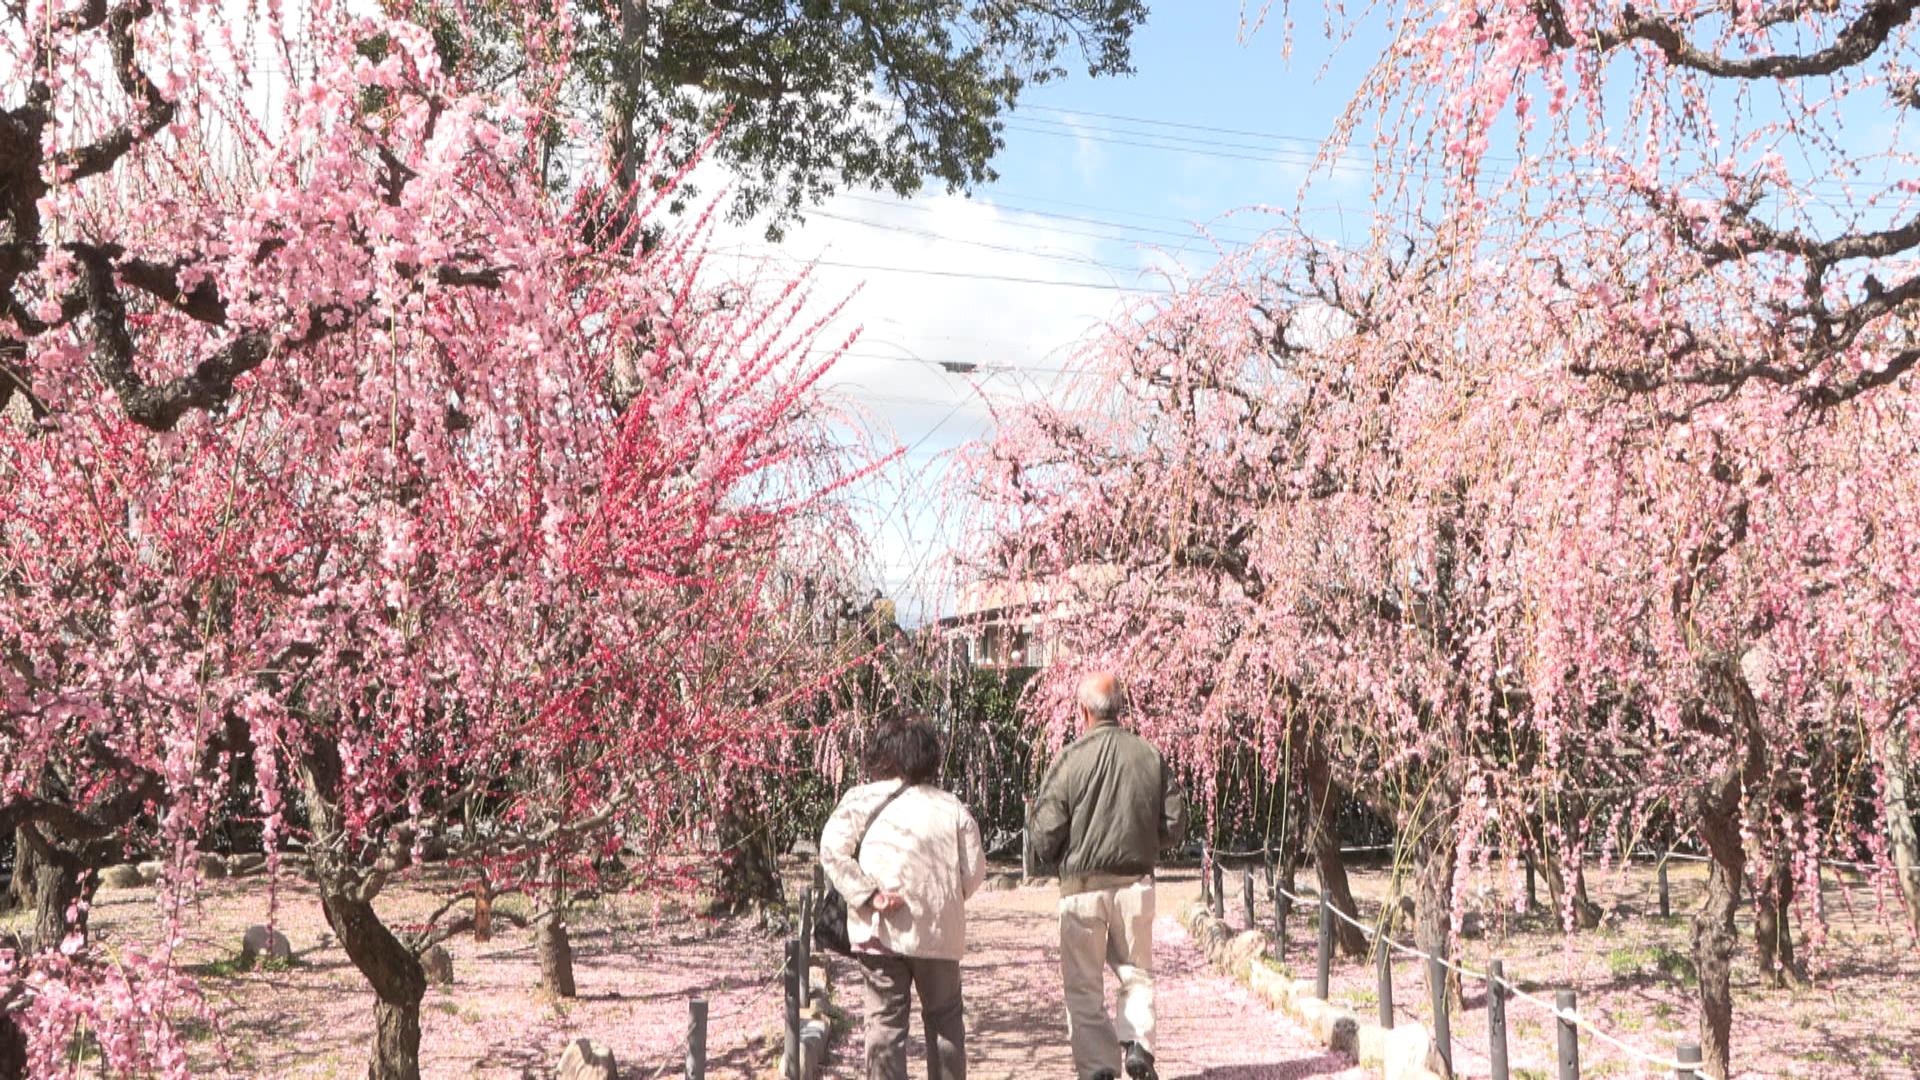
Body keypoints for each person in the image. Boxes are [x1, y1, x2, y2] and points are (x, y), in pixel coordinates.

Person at [1029, 671, 1188, 1080]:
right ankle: (1137, 1045)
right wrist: (1144, 843)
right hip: (1135, 882)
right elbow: (1175, 823)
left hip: (1081, 889)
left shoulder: (1068, 760)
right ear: (1120, 708)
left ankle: (1099, 1068)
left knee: (1083, 989)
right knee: (1136, 974)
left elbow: (1044, 835)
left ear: (1082, 711)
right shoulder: (1149, 755)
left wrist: (1060, 854)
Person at [821, 715, 988, 1080]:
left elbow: (832, 851)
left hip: (880, 930)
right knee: (945, 1021)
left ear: (883, 753)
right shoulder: (951, 807)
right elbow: (974, 872)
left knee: (884, 1025)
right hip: (939, 935)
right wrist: (942, 898)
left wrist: (869, 895)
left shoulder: (860, 800)